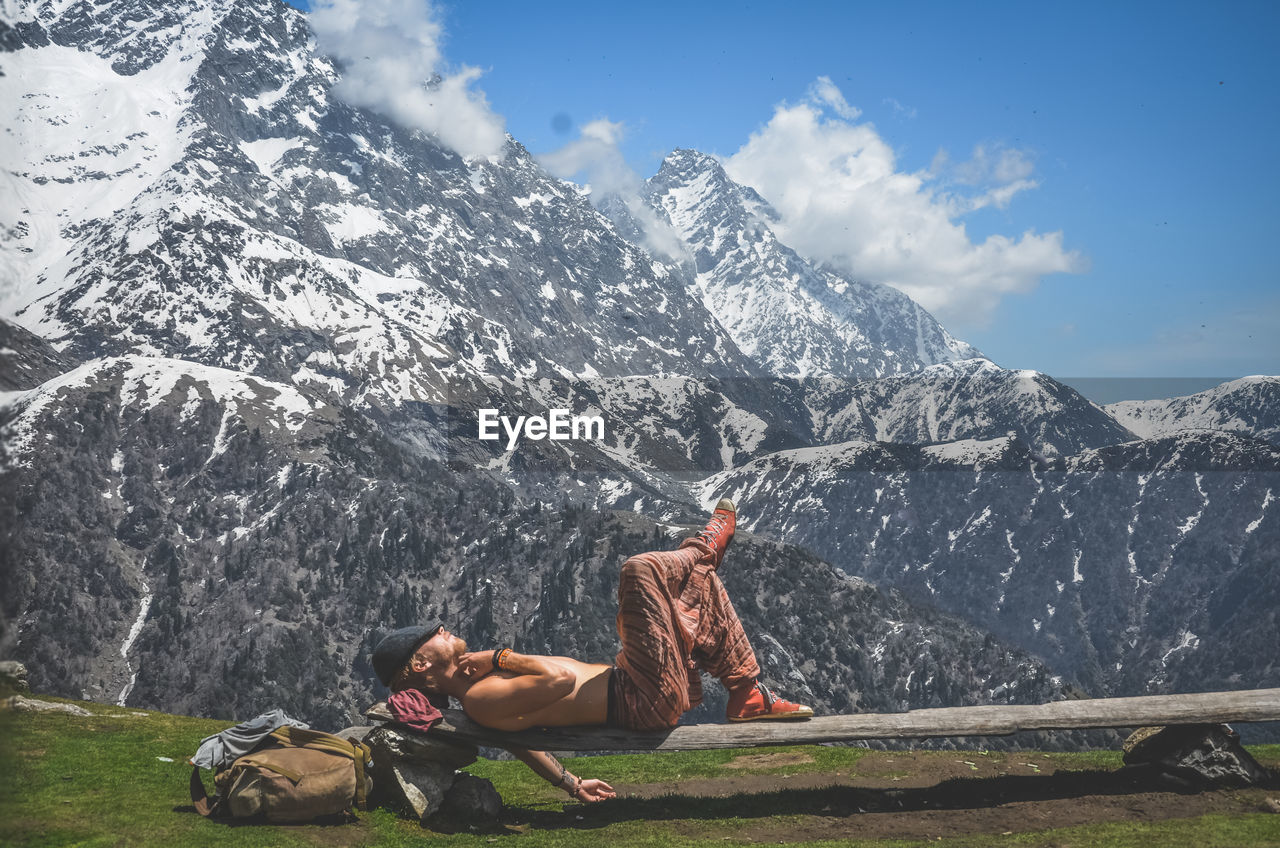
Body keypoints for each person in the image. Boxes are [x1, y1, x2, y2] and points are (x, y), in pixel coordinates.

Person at [370, 498, 813, 803]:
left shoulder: (479, 694)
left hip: (634, 680)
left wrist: (570, 783)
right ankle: (704, 546)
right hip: (643, 697)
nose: (444, 628)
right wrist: (499, 657)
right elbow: (559, 680)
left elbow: (518, 741)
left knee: (697, 586)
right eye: (434, 633)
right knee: (639, 572)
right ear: (422, 663)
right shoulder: (479, 697)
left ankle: (747, 692)